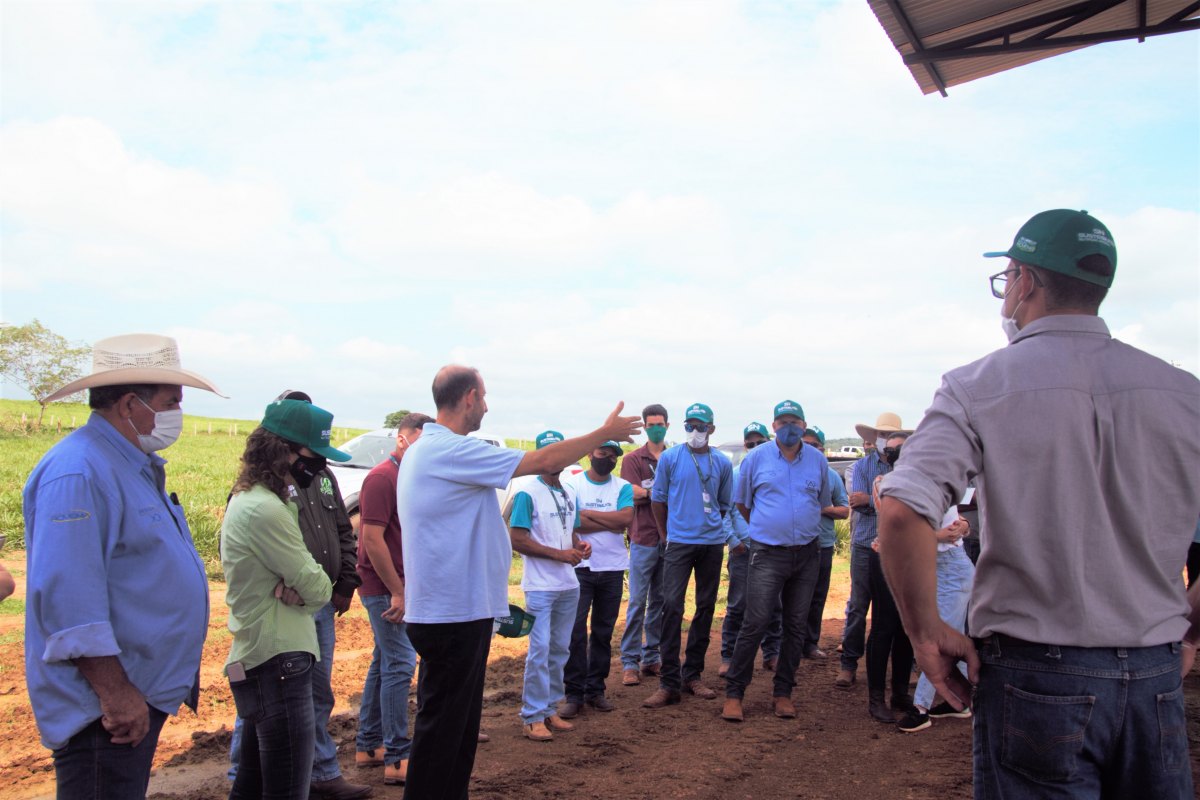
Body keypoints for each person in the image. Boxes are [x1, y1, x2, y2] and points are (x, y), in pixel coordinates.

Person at [878, 209, 1200, 798]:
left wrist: (925, 633)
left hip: (1037, 674)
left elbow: (901, 510)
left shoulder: (977, 385)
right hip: (1155, 670)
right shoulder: (1184, 393)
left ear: (1025, 282)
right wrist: (1191, 634)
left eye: (1007, 279)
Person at [397, 365, 641, 799]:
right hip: (452, 612)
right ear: (470, 397)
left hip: (458, 609)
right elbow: (544, 461)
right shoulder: (447, 449)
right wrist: (603, 432)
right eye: (485, 397)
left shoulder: (436, 449)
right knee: (442, 734)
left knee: (456, 731)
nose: (487, 407)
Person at [23, 333, 221, 800]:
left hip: (135, 690)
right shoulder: (80, 471)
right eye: (171, 402)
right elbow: (69, 600)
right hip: (105, 709)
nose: (177, 413)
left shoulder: (130, 463)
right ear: (132, 405)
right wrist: (116, 694)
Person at [227, 390, 369, 800]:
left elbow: (314, 574)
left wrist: (316, 588)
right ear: (283, 450)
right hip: (278, 654)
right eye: (313, 453)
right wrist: (315, 591)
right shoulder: (267, 509)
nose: (319, 464)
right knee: (286, 785)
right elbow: (315, 585)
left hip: (274, 645)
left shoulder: (259, 498)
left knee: (253, 784)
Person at [721, 401, 831, 722]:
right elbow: (743, 505)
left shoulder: (817, 461)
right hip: (767, 553)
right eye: (782, 422)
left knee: (795, 626)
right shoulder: (756, 458)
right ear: (774, 426)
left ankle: (783, 693)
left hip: (807, 554)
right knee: (755, 623)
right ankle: (734, 694)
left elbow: (821, 502)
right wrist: (769, 526)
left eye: (794, 421)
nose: (789, 427)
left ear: (804, 424)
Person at [355, 413, 433, 785]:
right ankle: (397, 756)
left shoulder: (412, 477)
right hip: (384, 586)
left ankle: (369, 745)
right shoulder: (383, 478)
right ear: (403, 439)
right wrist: (398, 591)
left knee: (383, 661)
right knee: (401, 663)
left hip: (401, 583)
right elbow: (372, 539)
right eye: (422, 439)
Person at [643, 402, 734, 708]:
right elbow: (658, 499)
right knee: (671, 606)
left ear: (712, 429)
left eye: (701, 426)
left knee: (706, 606)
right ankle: (668, 682)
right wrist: (666, 534)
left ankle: (692, 674)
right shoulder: (670, 458)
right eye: (690, 426)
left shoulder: (721, 462)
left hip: (710, 544)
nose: (695, 431)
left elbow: (724, 504)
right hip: (679, 543)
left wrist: (711, 528)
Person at [509, 430, 588, 741]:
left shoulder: (569, 492)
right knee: (539, 650)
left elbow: (570, 534)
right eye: (548, 452)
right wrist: (561, 554)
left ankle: (549, 708)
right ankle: (532, 715)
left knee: (559, 649)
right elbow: (518, 539)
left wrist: (580, 548)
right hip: (540, 586)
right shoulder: (527, 493)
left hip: (568, 584)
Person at [836, 411, 912, 689]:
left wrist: (874, 499)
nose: (885, 442)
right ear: (874, 439)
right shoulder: (859, 468)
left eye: (891, 437)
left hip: (900, 548)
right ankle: (848, 663)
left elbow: (887, 502)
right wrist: (884, 501)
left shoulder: (909, 470)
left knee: (901, 607)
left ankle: (905, 665)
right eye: (882, 436)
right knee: (858, 605)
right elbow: (857, 500)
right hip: (865, 544)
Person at [560, 441, 634, 717]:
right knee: (575, 631)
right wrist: (607, 519)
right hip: (581, 567)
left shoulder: (623, 486)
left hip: (613, 569)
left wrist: (589, 513)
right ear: (590, 453)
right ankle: (574, 693)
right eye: (603, 453)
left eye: (613, 455)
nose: (608, 458)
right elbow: (572, 522)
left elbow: (625, 520)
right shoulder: (573, 485)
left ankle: (596, 690)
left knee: (603, 632)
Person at [896, 503, 975, 734]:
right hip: (938, 570)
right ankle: (963, 700)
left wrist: (961, 527)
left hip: (952, 571)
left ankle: (920, 708)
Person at [718, 422, 782, 678]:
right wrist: (733, 542)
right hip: (743, 551)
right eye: (750, 443)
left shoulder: (776, 472)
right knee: (737, 605)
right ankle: (728, 656)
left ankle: (772, 653)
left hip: (771, 549)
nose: (755, 447)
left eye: (760, 442)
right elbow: (724, 512)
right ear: (745, 446)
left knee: (774, 604)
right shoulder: (735, 473)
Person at [863, 432, 915, 724]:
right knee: (883, 627)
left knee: (906, 628)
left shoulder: (922, 483)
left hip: (914, 560)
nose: (894, 454)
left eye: (901, 449)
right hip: (886, 558)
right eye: (891, 449)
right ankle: (875, 698)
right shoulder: (883, 483)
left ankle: (899, 693)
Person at [618, 403, 670, 687]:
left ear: (667, 425)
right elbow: (632, 494)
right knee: (638, 601)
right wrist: (661, 494)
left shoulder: (674, 457)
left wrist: (650, 493)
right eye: (650, 424)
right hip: (643, 537)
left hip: (669, 539)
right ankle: (629, 661)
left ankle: (652, 657)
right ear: (645, 427)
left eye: (659, 423)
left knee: (660, 601)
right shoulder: (633, 459)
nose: (655, 427)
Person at [798, 426, 848, 660]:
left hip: (823, 544)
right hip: (793, 544)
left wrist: (823, 508)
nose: (810, 449)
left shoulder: (831, 475)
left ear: (823, 449)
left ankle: (809, 643)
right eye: (805, 444)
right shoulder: (790, 471)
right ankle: (785, 645)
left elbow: (844, 510)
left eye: (815, 445)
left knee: (817, 596)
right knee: (790, 597)